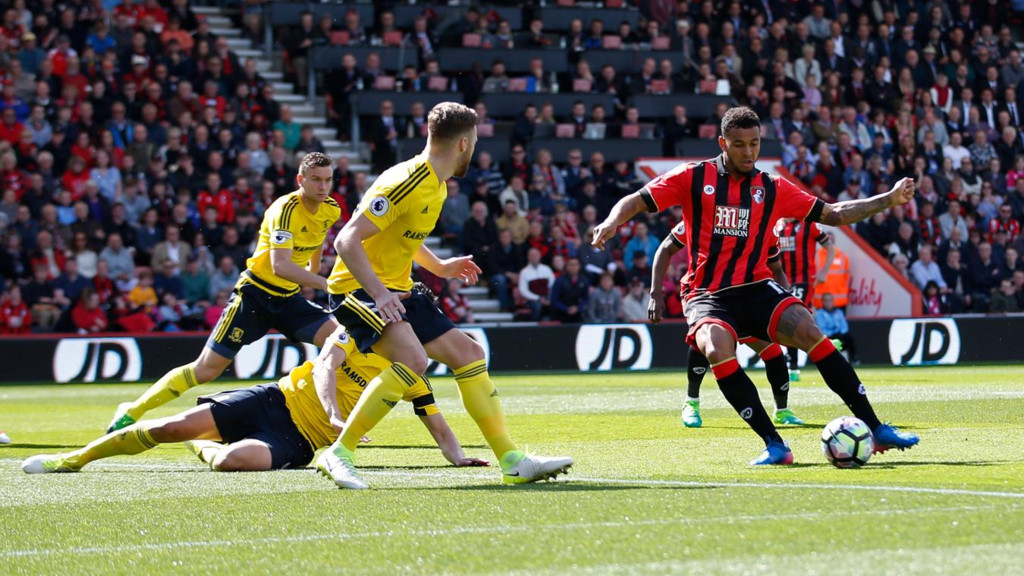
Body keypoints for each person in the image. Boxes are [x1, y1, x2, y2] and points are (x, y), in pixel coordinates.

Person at [592, 106, 919, 465]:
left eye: (754, 144)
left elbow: (834, 214)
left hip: (756, 286)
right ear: (722, 143)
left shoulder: (773, 188)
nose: (748, 152)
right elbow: (636, 200)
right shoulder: (693, 177)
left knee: (810, 331)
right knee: (716, 348)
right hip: (707, 294)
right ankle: (775, 445)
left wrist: (887, 199)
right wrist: (611, 222)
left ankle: (875, 427)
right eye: (739, 145)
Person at [321, 102, 572, 489]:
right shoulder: (406, 179)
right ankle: (339, 453)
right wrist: (379, 294)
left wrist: (438, 266)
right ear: (463, 143)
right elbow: (346, 239)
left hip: (396, 289)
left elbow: (402, 236)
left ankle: (512, 460)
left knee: (469, 354)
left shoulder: (435, 184)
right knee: (414, 359)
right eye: (473, 141)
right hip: (356, 289)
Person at [23, 326, 487, 474]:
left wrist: (460, 458)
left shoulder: (411, 377)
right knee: (169, 428)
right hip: (273, 400)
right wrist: (331, 411)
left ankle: (203, 446)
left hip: (300, 442)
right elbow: (325, 367)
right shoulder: (353, 332)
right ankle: (73, 459)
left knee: (229, 463)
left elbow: (439, 426)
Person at [105, 153, 343, 433]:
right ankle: (133, 410)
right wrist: (325, 283)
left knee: (339, 340)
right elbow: (280, 267)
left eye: (328, 180)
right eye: (315, 179)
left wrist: (312, 276)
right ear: (300, 180)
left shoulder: (331, 209)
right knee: (206, 370)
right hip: (255, 295)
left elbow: (316, 239)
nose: (323, 186)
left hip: (289, 299)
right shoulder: (285, 209)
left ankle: (327, 416)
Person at [649, 221, 804, 428]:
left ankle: (782, 410)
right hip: (707, 297)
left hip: (746, 301)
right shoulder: (699, 213)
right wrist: (655, 293)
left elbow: (777, 269)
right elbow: (666, 248)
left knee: (774, 354)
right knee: (703, 343)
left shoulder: (762, 224)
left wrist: (784, 303)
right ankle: (691, 402)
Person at [775, 218, 835, 382]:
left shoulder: (810, 224)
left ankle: (792, 368)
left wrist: (824, 271)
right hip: (780, 280)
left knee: (792, 318)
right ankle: (826, 344)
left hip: (803, 280)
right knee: (791, 320)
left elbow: (830, 248)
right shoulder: (778, 223)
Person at [815, 293, 858, 364]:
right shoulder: (819, 314)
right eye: (826, 300)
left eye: (830, 300)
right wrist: (833, 333)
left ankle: (854, 359)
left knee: (849, 338)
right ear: (822, 302)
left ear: (833, 301)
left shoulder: (839, 312)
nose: (828, 302)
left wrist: (840, 333)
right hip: (828, 337)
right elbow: (821, 329)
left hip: (840, 335)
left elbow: (844, 326)